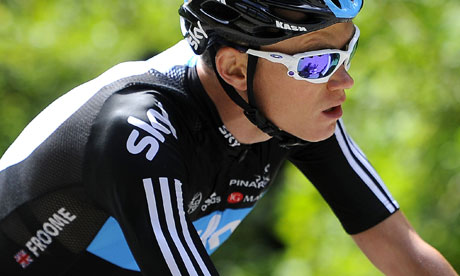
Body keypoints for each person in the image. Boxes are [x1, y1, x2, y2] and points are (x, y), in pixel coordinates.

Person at [0, 0, 457, 275]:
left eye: (346, 52)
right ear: (235, 69)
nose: (344, 81)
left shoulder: (289, 110)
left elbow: (404, 253)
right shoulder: (137, 132)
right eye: (316, 64)